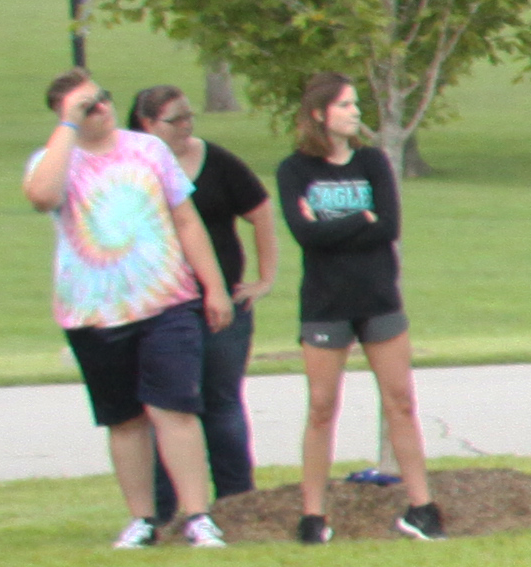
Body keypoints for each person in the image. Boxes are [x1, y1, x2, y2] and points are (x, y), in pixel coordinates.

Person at [21, 69, 236, 547]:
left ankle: (197, 516)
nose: (101, 108)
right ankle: (143, 520)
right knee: (124, 419)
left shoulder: (148, 150)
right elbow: (42, 196)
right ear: (64, 114)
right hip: (94, 312)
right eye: (86, 105)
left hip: (166, 302)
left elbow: (186, 220)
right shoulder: (53, 159)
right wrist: (68, 127)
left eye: (102, 98)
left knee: (173, 408)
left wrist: (215, 287)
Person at [278, 74, 444, 542]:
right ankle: (313, 515)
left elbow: (388, 227)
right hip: (326, 303)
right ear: (319, 114)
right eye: (345, 105)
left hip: (378, 298)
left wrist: (335, 225)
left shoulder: (372, 162)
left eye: (356, 104)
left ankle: (422, 507)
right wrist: (359, 219)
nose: (355, 112)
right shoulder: (295, 170)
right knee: (321, 406)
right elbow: (305, 235)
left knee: (400, 401)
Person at [126, 86, 272, 523]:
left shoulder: (216, 161)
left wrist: (263, 279)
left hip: (220, 301)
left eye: (190, 116)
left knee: (221, 403)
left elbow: (260, 211)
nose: (187, 125)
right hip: (158, 304)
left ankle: (237, 503)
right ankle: (164, 513)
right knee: (163, 406)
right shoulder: (132, 164)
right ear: (147, 124)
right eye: (176, 119)